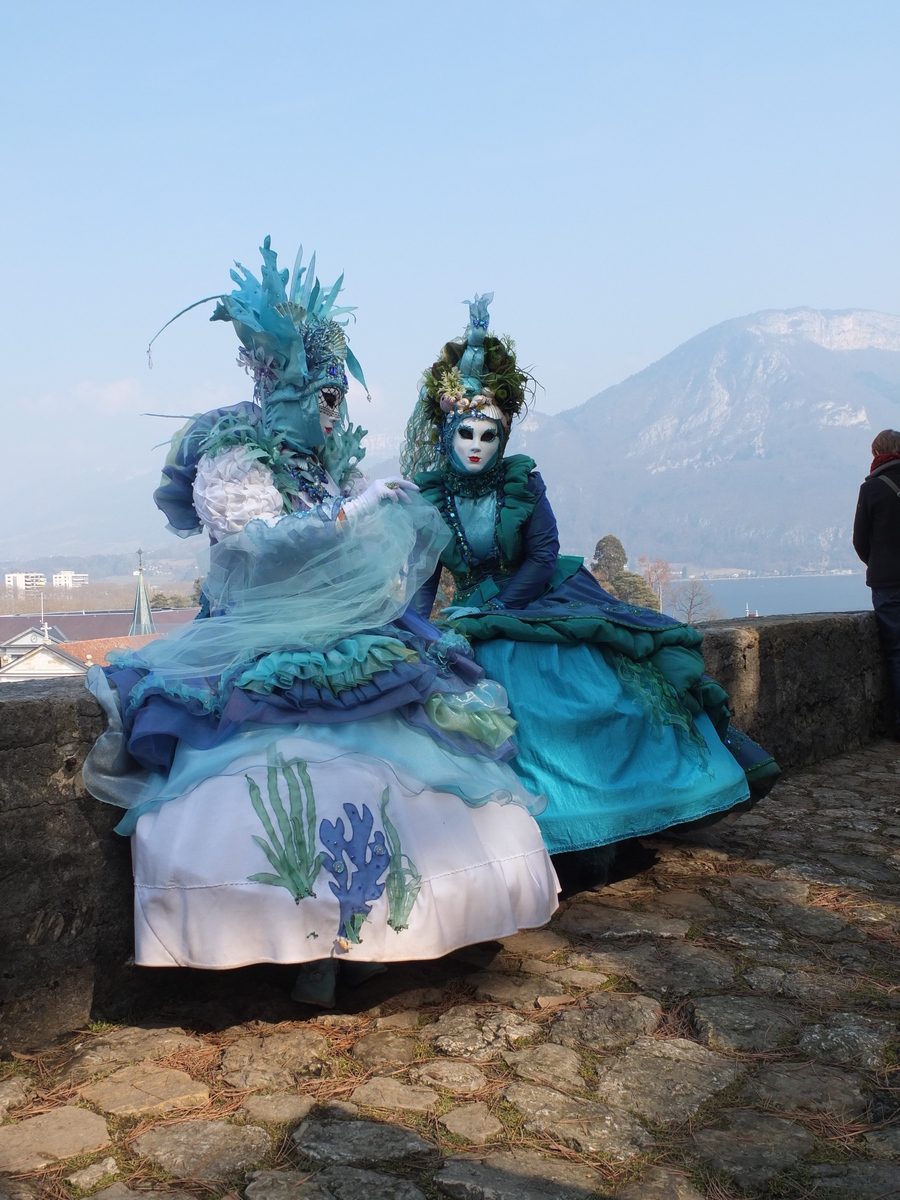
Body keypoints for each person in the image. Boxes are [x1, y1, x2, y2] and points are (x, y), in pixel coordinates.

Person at [82, 241, 558, 1007]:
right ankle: (301, 952)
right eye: (325, 398)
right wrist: (349, 516)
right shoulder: (236, 459)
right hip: (255, 640)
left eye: (340, 399)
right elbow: (255, 547)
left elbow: (355, 544)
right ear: (290, 393)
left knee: (400, 769)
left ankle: (388, 937)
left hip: (344, 639)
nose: (336, 415)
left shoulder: (330, 466)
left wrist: (368, 511)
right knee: (279, 779)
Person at [402, 294, 779, 890]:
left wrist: (499, 607)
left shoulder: (523, 483)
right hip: (472, 611)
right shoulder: (428, 498)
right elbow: (425, 577)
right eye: (465, 433)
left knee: (588, 696)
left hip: (541, 598)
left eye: (488, 435)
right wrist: (413, 631)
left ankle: (611, 823)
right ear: (447, 434)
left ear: (503, 438)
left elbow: (544, 554)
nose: (476, 445)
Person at [853, 428, 900, 739]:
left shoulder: (871, 489)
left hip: (887, 583)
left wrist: (880, 564)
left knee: (896, 653)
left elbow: (860, 541)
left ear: (875, 454)